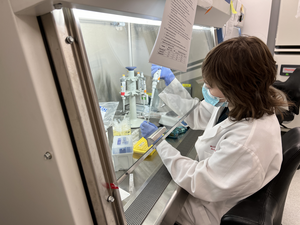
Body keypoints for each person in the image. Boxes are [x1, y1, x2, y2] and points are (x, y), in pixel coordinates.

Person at [140, 36, 289, 225]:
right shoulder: (240, 102)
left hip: (213, 208)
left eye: (211, 85)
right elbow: (198, 115)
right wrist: (171, 83)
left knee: (151, 210)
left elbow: (198, 180)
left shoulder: (246, 140)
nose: (206, 86)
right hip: (223, 187)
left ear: (234, 88)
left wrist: (160, 144)